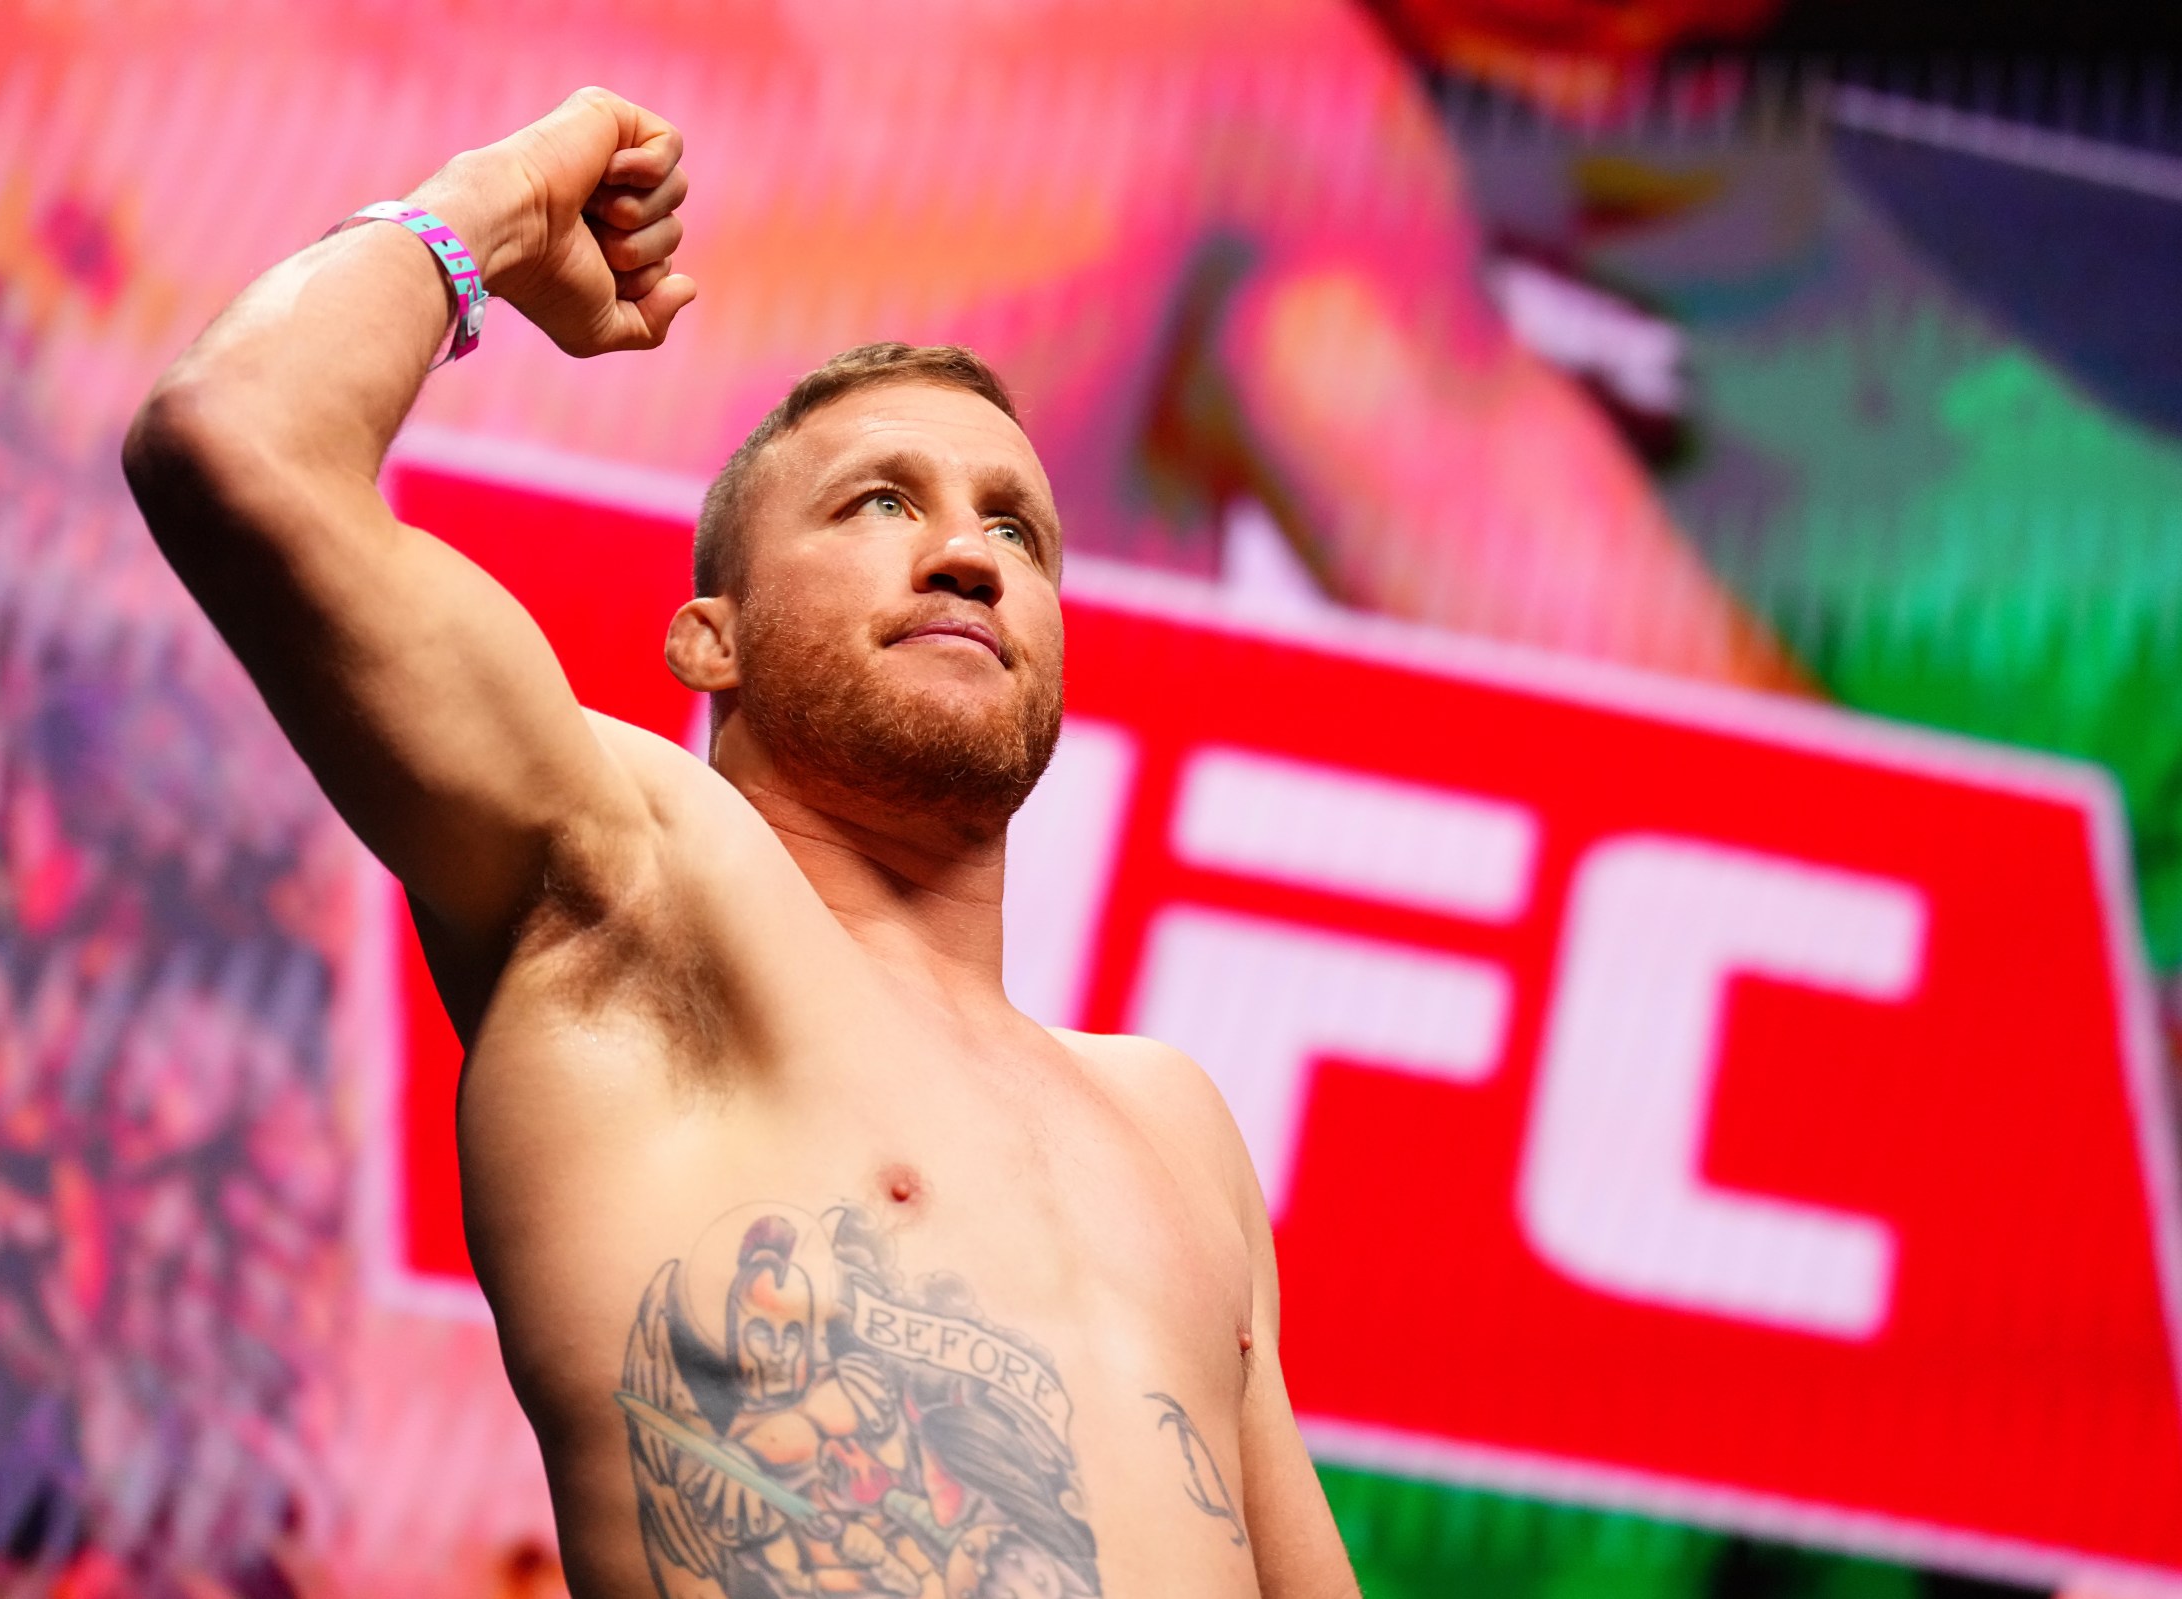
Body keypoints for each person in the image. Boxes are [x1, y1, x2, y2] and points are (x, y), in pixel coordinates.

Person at [124, 87, 1360, 1599]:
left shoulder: (1173, 1127)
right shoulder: (638, 882)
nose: (968, 556)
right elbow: (234, 441)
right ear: (711, 638)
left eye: (1017, 531)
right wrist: (499, 205)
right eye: (881, 502)